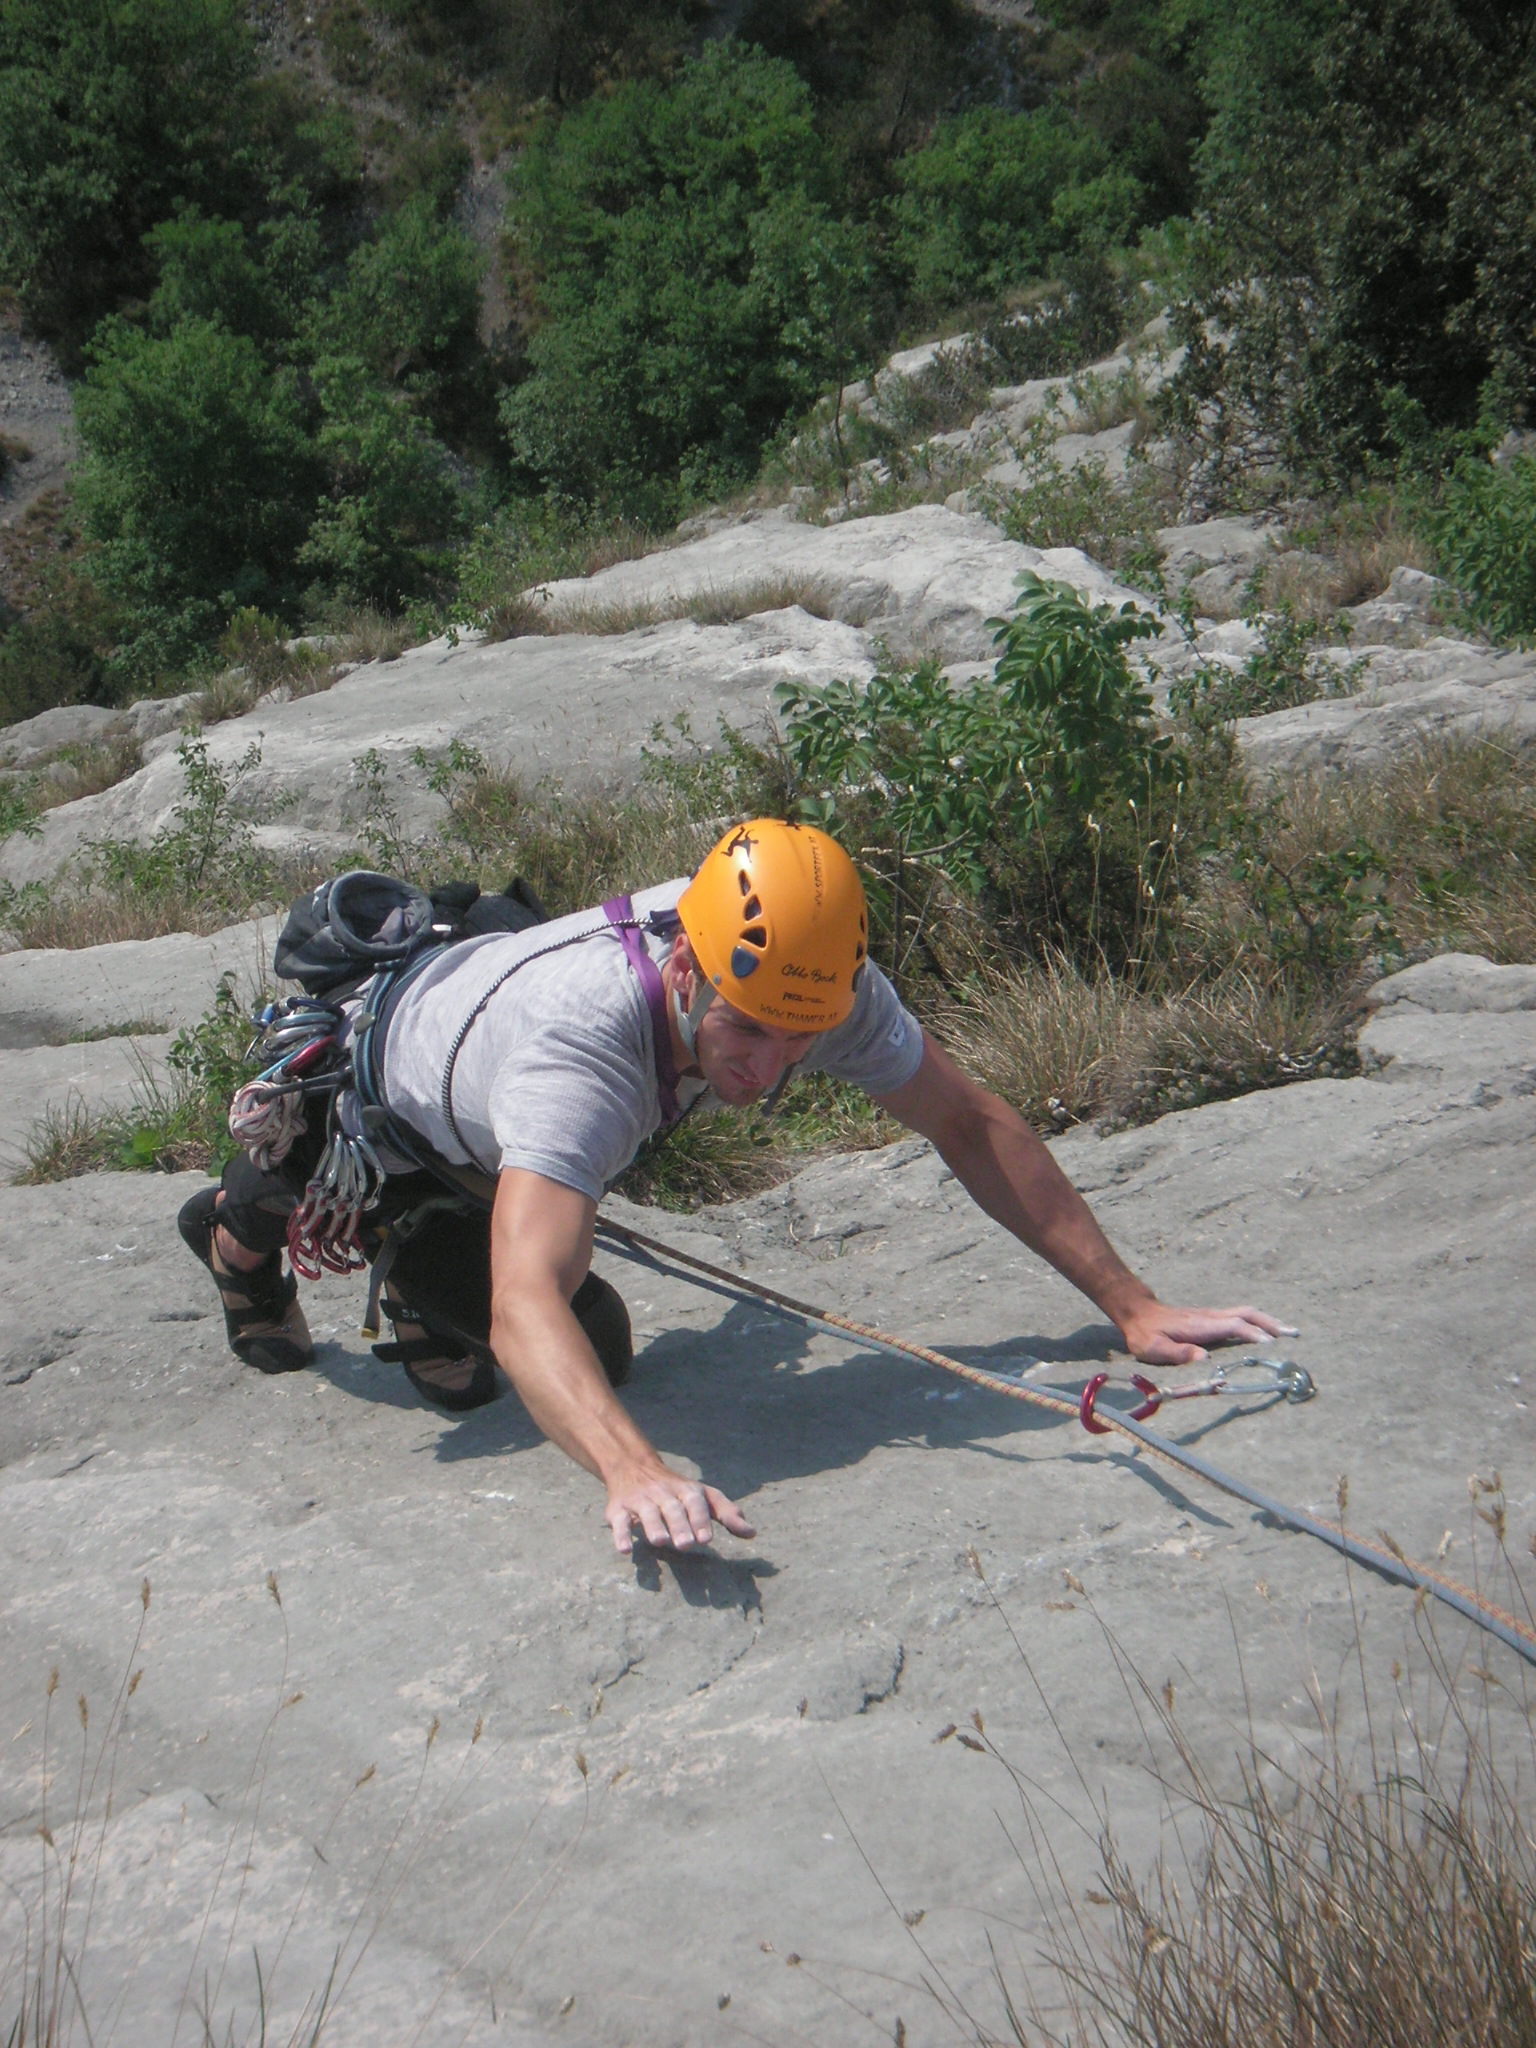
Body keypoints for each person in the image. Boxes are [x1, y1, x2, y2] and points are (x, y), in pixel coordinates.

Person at [180, 819, 1290, 1556]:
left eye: (800, 1038)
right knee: (509, 1331)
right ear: (685, 965)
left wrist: (1130, 1305)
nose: (771, 1066)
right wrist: (634, 1472)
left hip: (485, 1067)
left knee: (584, 1348)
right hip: (387, 1100)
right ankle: (238, 1238)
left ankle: (426, 1272)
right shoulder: (580, 1061)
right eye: (746, 1031)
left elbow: (968, 1122)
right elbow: (525, 1302)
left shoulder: (804, 975)